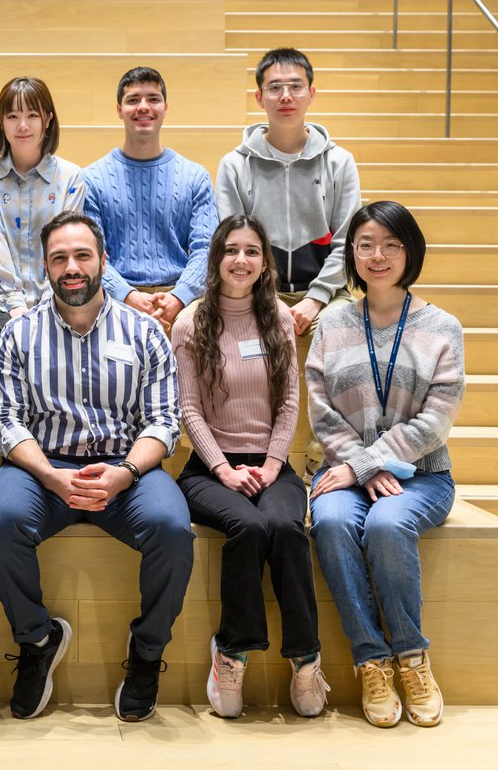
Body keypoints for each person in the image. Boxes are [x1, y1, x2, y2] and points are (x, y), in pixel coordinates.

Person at [0, 210, 195, 723]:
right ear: (45, 268)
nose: (71, 267)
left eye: (82, 255)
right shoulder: (18, 334)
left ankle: (146, 654)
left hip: (126, 469)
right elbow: (5, 420)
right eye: (59, 258)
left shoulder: (145, 332)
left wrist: (125, 473)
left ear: (103, 260)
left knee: (172, 528)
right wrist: (52, 476)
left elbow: (164, 421)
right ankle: (36, 640)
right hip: (43, 470)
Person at [306, 201, 465, 729]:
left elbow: (435, 423)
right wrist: (363, 468)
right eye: (365, 245)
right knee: (328, 521)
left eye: (391, 245)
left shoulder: (442, 327)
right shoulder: (331, 323)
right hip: (346, 471)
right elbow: (321, 412)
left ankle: (413, 657)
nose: (378, 256)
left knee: (388, 523)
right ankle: (371, 659)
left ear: (410, 251)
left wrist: (367, 465)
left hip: (423, 476)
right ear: (351, 254)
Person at [173, 215, 328, 720]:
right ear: (216, 259)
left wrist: (271, 462)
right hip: (207, 469)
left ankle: (306, 660)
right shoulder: (191, 321)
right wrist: (223, 470)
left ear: (266, 264)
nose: (241, 260)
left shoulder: (279, 319)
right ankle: (232, 655)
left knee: (285, 525)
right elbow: (189, 409)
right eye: (231, 250)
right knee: (248, 524)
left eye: (253, 251)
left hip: (270, 464)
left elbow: (289, 403)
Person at [215, 48, 361, 338]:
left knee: (341, 329)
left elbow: (348, 244)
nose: (286, 96)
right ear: (259, 97)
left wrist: (315, 298)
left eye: (296, 86)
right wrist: (265, 300)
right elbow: (234, 248)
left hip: (327, 294)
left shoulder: (339, 162)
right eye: (274, 87)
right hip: (254, 292)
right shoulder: (233, 164)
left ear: (311, 93)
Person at [82, 66, 218, 329]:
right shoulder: (92, 179)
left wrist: (179, 297)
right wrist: (128, 295)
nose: (143, 107)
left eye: (153, 99)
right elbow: (90, 253)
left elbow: (207, 249)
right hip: (112, 299)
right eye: (133, 100)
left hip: (184, 301)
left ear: (165, 108)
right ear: (119, 109)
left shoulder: (195, 176)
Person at [0, 76, 85, 348]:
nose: (22, 125)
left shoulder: (71, 177)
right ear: (0, 120)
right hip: (0, 302)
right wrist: (16, 308)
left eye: (32, 115)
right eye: (13, 116)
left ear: (47, 119)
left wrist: (47, 307)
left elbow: (65, 248)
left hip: (59, 298)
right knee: (15, 346)